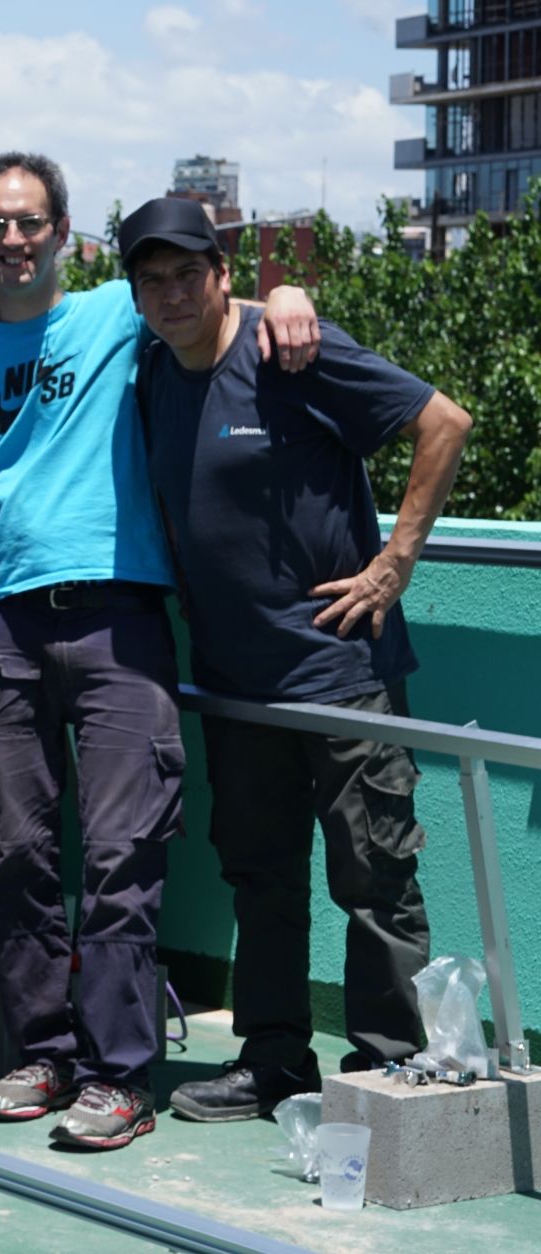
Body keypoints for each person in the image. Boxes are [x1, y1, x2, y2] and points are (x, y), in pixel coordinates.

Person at [0, 152, 319, 1150]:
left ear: (61, 232)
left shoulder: (109, 313)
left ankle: (119, 1075)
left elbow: (202, 304)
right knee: (18, 854)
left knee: (127, 850)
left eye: (31, 222)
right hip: (3, 627)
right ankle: (44, 1054)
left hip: (120, 614)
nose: (13, 240)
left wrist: (289, 292)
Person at [117, 197, 471, 1123]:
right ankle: (275, 1061)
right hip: (237, 687)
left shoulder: (291, 350)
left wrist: (395, 561)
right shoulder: (151, 368)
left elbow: (446, 421)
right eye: (150, 280)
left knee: (375, 877)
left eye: (187, 273)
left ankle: (392, 1071)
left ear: (222, 274)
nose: (170, 294)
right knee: (260, 879)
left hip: (341, 673)